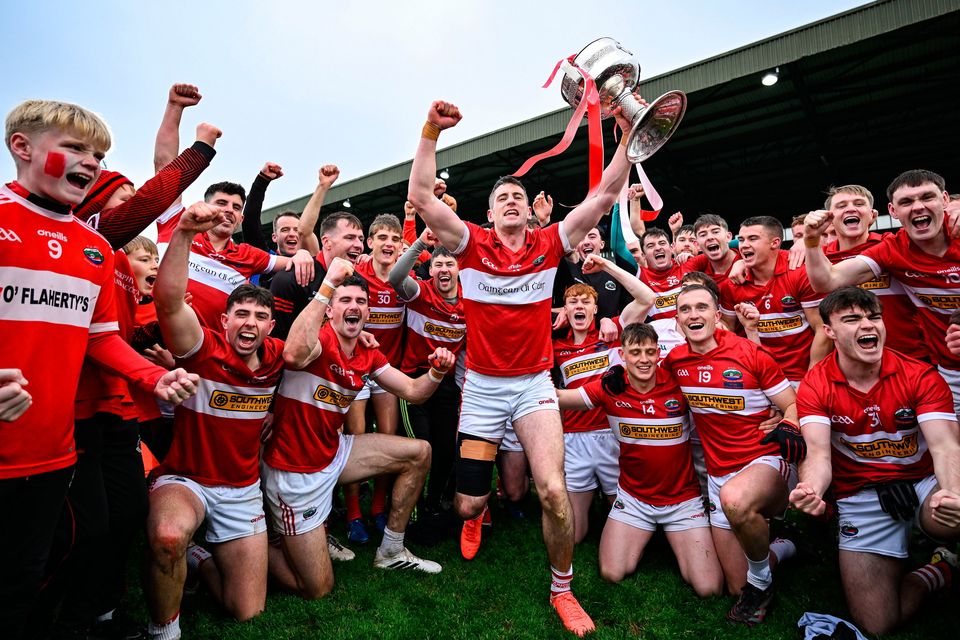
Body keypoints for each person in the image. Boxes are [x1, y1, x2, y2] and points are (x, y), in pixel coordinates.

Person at [407, 98, 634, 637]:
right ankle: (477, 514)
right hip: (481, 390)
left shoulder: (550, 242)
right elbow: (419, 195)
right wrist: (431, 131)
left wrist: (629, 134)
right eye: (501, 197)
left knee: (552, 491)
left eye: (519, 196)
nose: (511, 201)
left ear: (532, 210)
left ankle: (563, 590)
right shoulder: (467, 242)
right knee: (467, 503)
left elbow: (603, 195)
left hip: (533, 386)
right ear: (488, 213)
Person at [0, 99, 197, 640]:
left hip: (50, 451)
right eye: (76, 149)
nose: (91, 161)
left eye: (99, 153)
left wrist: (156, 377)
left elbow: (102, 340)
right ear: (22, 147)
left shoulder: (94, 249)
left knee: (25, 581)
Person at [260, 257, 454, 599]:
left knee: (419, 452)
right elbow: (292, 355)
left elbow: (412, 391)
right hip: (295, 472)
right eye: (345, 300)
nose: (355, 307)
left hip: (333, 453)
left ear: (368, 313)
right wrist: (326, 287)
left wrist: (436, 371)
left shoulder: (367, 353)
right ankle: (253, 543)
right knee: (318, 588)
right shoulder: (318, 340)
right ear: (330, 310)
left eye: (361, 302)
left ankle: (391, 551)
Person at [146, 202, 287, 640]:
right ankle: (163, 630)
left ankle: (200, 558)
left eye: (260, 316)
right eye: (241, 314)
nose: (250, 323)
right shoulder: (202, 348)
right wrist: (184, 233)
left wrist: (273, 411)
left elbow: (311, 360)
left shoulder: (279, 358)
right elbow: (168, 302)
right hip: (185, 478)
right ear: (224, 321)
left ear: (271, 326)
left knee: (246, 612)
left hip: (242, 490)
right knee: (169, 536)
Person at [791, 287, 960, 635]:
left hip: (923, 482)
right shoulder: (815, 384)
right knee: (877, 624)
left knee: (955, 513)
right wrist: (811, 489)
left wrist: (954, 492)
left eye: (874, 317)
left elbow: (945, 447)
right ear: (830, 332)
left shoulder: (920, 375)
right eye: (852, 319)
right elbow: (819, 454)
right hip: (863, 492)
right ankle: (936, 572)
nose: (868, 325)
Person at [665, 284, 800, 626]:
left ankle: (762, 587)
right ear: (678, 321)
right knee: (734, 585)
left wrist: (788, 422)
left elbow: (793, 403)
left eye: (701, 307)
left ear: (716, 314)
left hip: (765, 460)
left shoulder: (749, 354)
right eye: (685, 310)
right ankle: (784, 546)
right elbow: (648, 386)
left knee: (736, 500)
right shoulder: (676, 361)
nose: (694, 315)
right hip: (719, 472)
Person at [557, 323, 722, 595]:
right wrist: (516, 387)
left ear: (659, 353)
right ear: (622, 355)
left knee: (709, 588)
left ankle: (783, 544)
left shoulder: (678, 382)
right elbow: (563, 398)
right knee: (612, 572)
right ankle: (648, 534)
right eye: (635, 352)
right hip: (634, 499)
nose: (643, 359)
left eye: (649, 352)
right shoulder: (611, 387)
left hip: (682, 500)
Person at [804, 170, 960, 411]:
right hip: (948, 372)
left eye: (927, 197)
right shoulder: (892, 251)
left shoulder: (884, 244)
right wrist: (809, 242)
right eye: (907, 202)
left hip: (917, 366)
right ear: (894, 211)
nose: (918, 207)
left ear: (946, 200)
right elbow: (825, 282)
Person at [552, 253, 656, 543]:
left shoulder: (612, 333)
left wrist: (607, 266)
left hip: (612, 434)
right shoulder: (557, 346)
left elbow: (647, 298)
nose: (580, 306)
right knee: (574, 536)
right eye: (573, 302)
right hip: (574, 439)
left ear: (596, 308)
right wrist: (552, 314)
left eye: (586, 302)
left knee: (623, 526)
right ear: (566, 310)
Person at [154, 181, 314, 330]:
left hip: (203, 353)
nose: (229, 210)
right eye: (222, 203)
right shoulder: (177, 225)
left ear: (240, 219)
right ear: (204, 207)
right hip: (146, 341)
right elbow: (165, 165)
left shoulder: (248, 254)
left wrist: (302, 254)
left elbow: (296, 264)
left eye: (236, 207)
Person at [389, 237, 467, 541]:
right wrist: (421, 242)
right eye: (438, 264)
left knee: (446, 450)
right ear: (430, 270)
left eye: (450, 263)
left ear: (459, 269)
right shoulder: (420, 293)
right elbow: (396, 277)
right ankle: (414, 510)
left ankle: (434, 504)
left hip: (445, 386)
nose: (444, 269)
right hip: (412, 383)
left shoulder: (468, 303)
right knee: (420, 449)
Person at [345, 214, 407, 542]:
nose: (388, 244)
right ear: (370, 243)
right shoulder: (357, 275)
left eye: (394, 239)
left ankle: (378, 509)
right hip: (356, 371)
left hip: (387, 372)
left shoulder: (406, 279)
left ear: (401, 246)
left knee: (387, 438)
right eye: (381, 237)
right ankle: (353, 513)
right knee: (355, 438)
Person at [817, 184, 927, 360]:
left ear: (873, 216)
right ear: (829, 219)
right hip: (852, 363)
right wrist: (806, 243)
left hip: (909, 358)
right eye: (841, 205)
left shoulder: (894, 246)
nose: (851, 208)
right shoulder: (818, 260)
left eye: (859, 203)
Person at [720, 216, 831, 385]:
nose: (744, 245)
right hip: (756, 377)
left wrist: (811, 380)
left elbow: (822, 330)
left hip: (801, 377)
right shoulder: (734, 281)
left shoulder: (800, 272)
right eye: (741, 240)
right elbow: (728, 331)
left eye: (753, 238)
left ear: (775, 243)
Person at [270, 210, 364, 340]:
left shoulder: (360, 283)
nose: (359, 245)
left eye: (361, 239)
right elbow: (278, 341)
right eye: (350, 238)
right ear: (326, 242)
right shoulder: (288, 280)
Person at [637, 228, 685, 322]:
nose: (658, 248)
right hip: (657, 335)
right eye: (650, 246)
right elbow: (619, 247)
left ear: (672, 248)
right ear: (643, 255)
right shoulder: (640, 275)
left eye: (662, 243)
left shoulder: (686, 265)